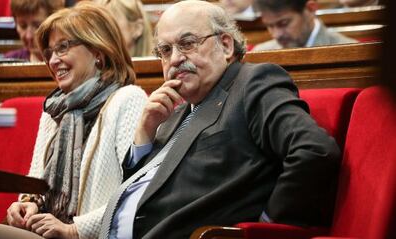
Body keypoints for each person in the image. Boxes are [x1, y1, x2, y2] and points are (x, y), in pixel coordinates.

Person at [98, 1, 341, 238]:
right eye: (165, 50)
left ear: (225, 45)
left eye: (187, 43)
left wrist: (265, 226)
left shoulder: (253, 83)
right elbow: (148, 192)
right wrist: (144, 134)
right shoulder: (173, 112)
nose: (174, 59)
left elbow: (314, 150)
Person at [0, 1, 147, 239]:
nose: (52, 61)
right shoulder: (55, 108)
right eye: (50, 53)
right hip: (45, 231)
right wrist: (28, 204)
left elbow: (136, 195)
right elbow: (36, 182)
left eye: (63, 48)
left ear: (97, 52)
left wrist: (73, 229)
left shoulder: (127, 100)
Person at [253, 0, 357, 51]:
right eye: (270, 26)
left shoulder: (350, 51)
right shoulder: (260, 53)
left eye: (284, 23)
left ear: (310, 9)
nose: (276, 35)